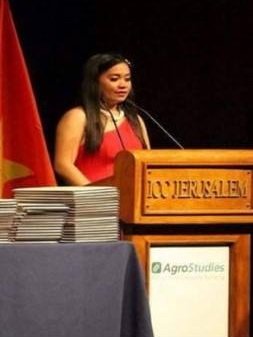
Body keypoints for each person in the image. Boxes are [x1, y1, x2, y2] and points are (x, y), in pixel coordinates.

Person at [54, 53, 150, 186]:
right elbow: (63, 165)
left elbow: (149, 164)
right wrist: (96, 196)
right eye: (114, 79)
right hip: (96, 202)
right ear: (95, 82)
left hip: (133, 202)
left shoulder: (136, 120)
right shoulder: (78, 117)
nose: (123, 85)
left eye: (127, 79)